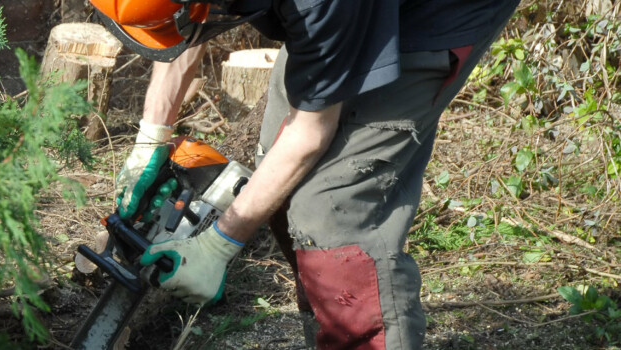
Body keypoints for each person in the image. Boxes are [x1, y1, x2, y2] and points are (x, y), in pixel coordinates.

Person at [97, 0, 522, 348]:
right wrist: (151, 138)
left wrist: (218, 244)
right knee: (276, 176)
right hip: (349, 15)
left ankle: (363, 334)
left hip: (432, 15)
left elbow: (311, 132)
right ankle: (331, 329)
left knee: (332, 209)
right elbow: (184, 26)